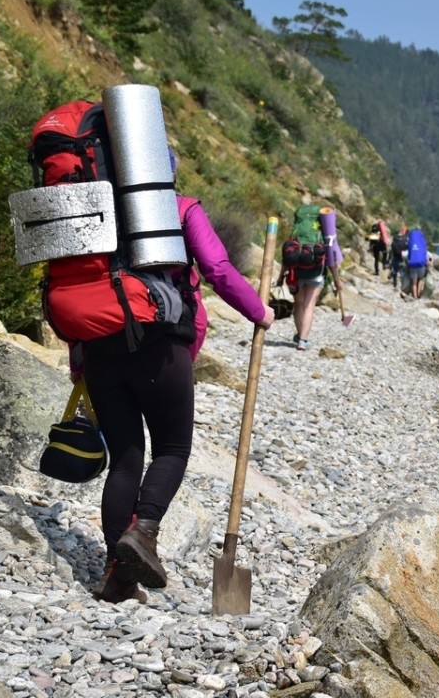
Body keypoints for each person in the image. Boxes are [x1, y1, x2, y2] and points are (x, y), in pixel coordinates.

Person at [83, 149, 275, 604]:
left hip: (99, 348)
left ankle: (119, 577)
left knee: (127, 460)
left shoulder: (96, 208)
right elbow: (218, 269)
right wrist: (258, 310)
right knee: (172, 448)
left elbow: (80, 281)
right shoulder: (182, 208)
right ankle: (144, 532)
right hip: (160, 346)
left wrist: (79, 358)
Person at [276, 202, 327, 352]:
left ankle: (299, 335)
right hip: (316, 273)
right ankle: (303, 341)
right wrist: (337, 281)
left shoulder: (296, 232)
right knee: (309, 305)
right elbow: (331, 258)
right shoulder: (322, 233)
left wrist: (280, 277)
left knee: (298, 304)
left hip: (296, 273)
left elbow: (287, 257)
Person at [406, 226, 429, 299]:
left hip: (412, 263)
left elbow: (408, 250)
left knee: (414, 283)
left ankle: (415, 296)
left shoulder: (411, 237)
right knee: (421, 279)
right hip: (421, 263)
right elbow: (425, 251)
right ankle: (419, 293)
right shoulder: (421, 238)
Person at [389, 225, 409, 291]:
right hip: (403, 257)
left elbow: (392, 246)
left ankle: (395, 283)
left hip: (395, 256)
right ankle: (403, 285)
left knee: (395, 270)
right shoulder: (406, 238)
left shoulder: (396, 237)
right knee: (402, 271)